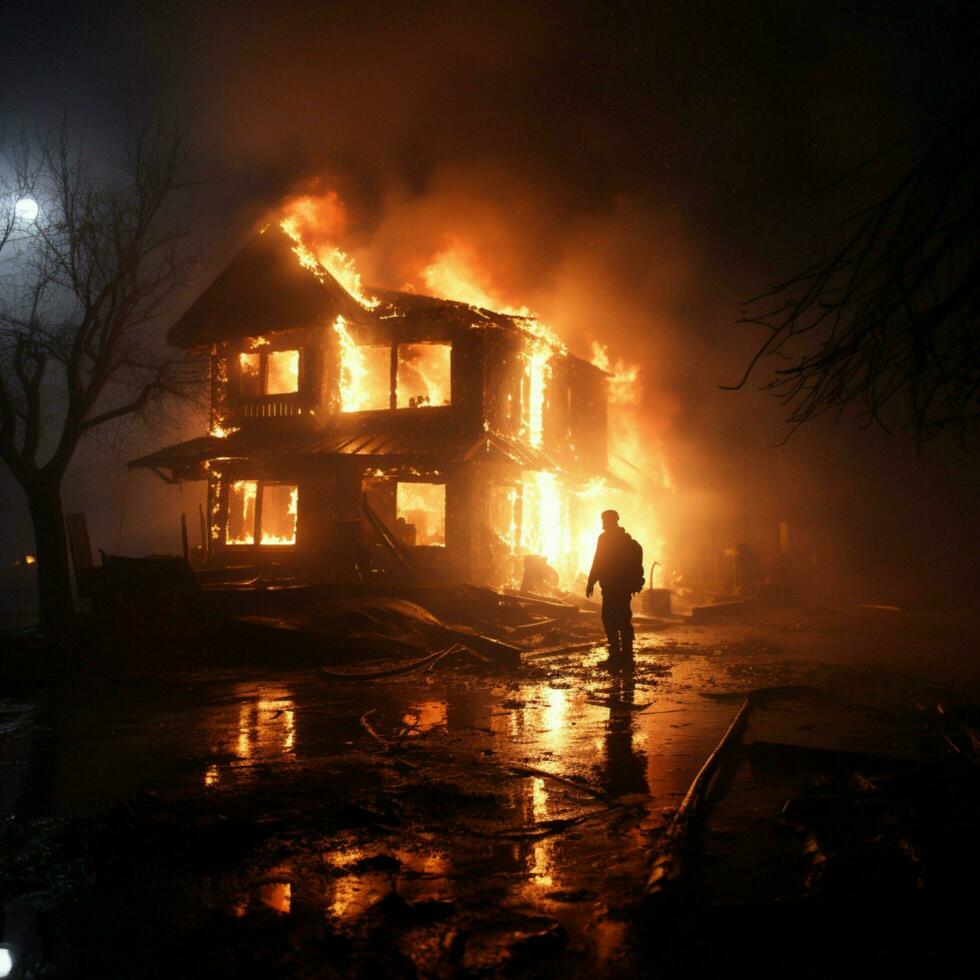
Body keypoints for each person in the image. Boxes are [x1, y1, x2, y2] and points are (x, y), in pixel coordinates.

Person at [586, 510, 644, 672]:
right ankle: (626, 656)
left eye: (604, 520)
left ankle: (616, 656)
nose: (602, 523)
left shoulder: (605, 539)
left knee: (610, 619)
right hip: (622, 588)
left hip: (612, 587)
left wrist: (591, 582)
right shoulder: (627, 541)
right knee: (623, 620)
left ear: (612, 520)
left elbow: (598, 561)